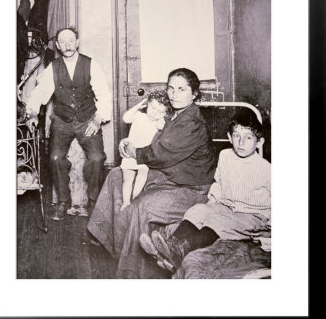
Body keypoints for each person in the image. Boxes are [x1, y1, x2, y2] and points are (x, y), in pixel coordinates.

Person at [87, 68, 217, 278]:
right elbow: (149, 138)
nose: (174, 94)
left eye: (182, 89)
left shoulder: (192, 123)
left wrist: (133, 151)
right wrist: (129, 143)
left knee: (142, 207)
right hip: (167, 175)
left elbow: (162, 154)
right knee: (115, 176)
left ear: (194, 94)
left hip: (189, 187)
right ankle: (107, 240)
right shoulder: (172, 113)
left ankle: (131, 272)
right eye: (171, 88)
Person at [139, 109, 271, 273]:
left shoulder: (266, 169)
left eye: (248, 137)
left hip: (252, 215)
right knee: (198, 210)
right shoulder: (225, 156)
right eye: (237, 136)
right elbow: (218, 182)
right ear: (230, 138)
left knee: (217, 221)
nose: (241, 142)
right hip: (225, 206)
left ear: (259, 142)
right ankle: (170, 245)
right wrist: (211, 204)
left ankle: (180, 252)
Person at [26, 27, 111, 221]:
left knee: (97, 158)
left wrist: (98, 119)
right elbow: (40, 94)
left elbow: (104, 95)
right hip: (62, 121)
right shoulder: (53, 67)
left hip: (88, 119)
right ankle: (63, 201)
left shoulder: (91, 64)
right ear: (57, 45)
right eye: (62, 41)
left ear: (77, 42)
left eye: (71, 40)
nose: (67, 45)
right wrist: (31, 112)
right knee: (55, 158)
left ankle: (92, 201)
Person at [120, 90, 171, 211]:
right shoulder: (139, 116)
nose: (155, 113)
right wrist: (138, 106)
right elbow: (126, 118)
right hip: (130, 154)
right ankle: (126, 202)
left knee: (142, 174)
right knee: (127, 179)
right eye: (152, 108)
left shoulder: (158, 123)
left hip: (144, 157)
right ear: (147, 104)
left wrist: (163, 117)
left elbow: (162, 126)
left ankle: (134, 198)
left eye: (160, 112)